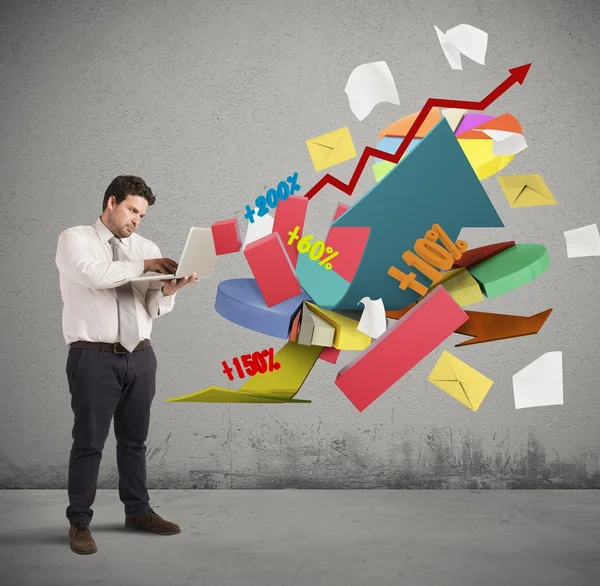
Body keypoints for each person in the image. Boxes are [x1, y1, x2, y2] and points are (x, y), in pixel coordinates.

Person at [55, 175, 198, 555]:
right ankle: (79, 521)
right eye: (132, 210)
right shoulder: (75, 239)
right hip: (93, 356)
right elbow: (95, 275)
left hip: (140, 356)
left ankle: (138, 512)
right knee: (88, 443)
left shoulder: (145, 246)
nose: (137, 220)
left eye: (142, 214)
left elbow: (149, 306)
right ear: (111, 202)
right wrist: (145, 264)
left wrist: (168, 290)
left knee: (134, 441)